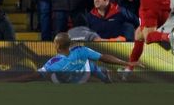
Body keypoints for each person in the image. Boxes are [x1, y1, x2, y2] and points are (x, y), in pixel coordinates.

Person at [8, 33, 141, 84]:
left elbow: (32, 77)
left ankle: (106, 77)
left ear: (57, 46)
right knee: (93, 66)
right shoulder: (81, 50)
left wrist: (11, 80)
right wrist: (127, 62)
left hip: (74, 81)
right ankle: (106, 77)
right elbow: (104, 57)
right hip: (85, 73)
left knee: (93, 68)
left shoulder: (54, 63)